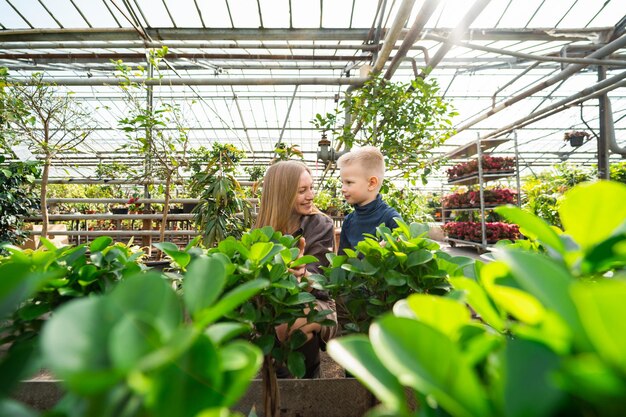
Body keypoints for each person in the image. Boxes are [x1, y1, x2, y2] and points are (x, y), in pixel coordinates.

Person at [254, 160, 338, 378]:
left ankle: (300, 385)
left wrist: (303, 275)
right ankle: (285, 389)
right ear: (282, 194)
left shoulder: (321, 224)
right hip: (274, 306)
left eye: (311, 188)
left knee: (288, 327)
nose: (311, 195)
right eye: (302, 190)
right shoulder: (261, 231)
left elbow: (321, 282)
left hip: (316, 301)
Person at [337, 146, 401, 254]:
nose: (343, 189)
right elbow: (342, 263)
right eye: (342, 183)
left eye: (349, 182)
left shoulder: (391, 218)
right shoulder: (349, 221)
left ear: (371, 183)